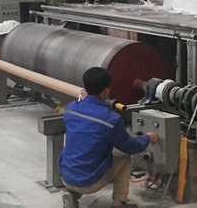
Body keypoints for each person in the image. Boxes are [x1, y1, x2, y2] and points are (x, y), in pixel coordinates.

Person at [59, 67, 158, 208]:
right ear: (105, 91)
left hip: (65, 175)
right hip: (89, 182)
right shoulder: (111, 119)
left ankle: (72, 194)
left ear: (85, 87)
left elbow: (84, 113)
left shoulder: (70, 108)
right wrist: (147, 138)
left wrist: (84, 100)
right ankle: (119, 202)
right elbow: (130, 147)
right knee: (124, 157)